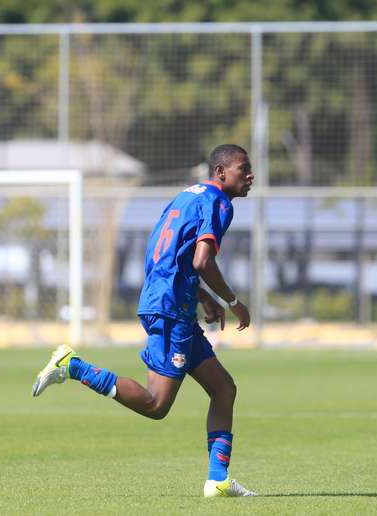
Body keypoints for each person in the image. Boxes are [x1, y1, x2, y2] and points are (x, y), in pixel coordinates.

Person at [32, 144, 257, 498]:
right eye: (243, 168)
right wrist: (232, 301)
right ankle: (74, 367)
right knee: (156, 405)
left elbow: (165, 254)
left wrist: (200, 296)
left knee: (223, 388)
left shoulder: (185, 197)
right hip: (171, 308)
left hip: (168, 301)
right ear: (221, 173)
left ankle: (218, 479)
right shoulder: (219, 203)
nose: (250, 175)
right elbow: (200, 261)